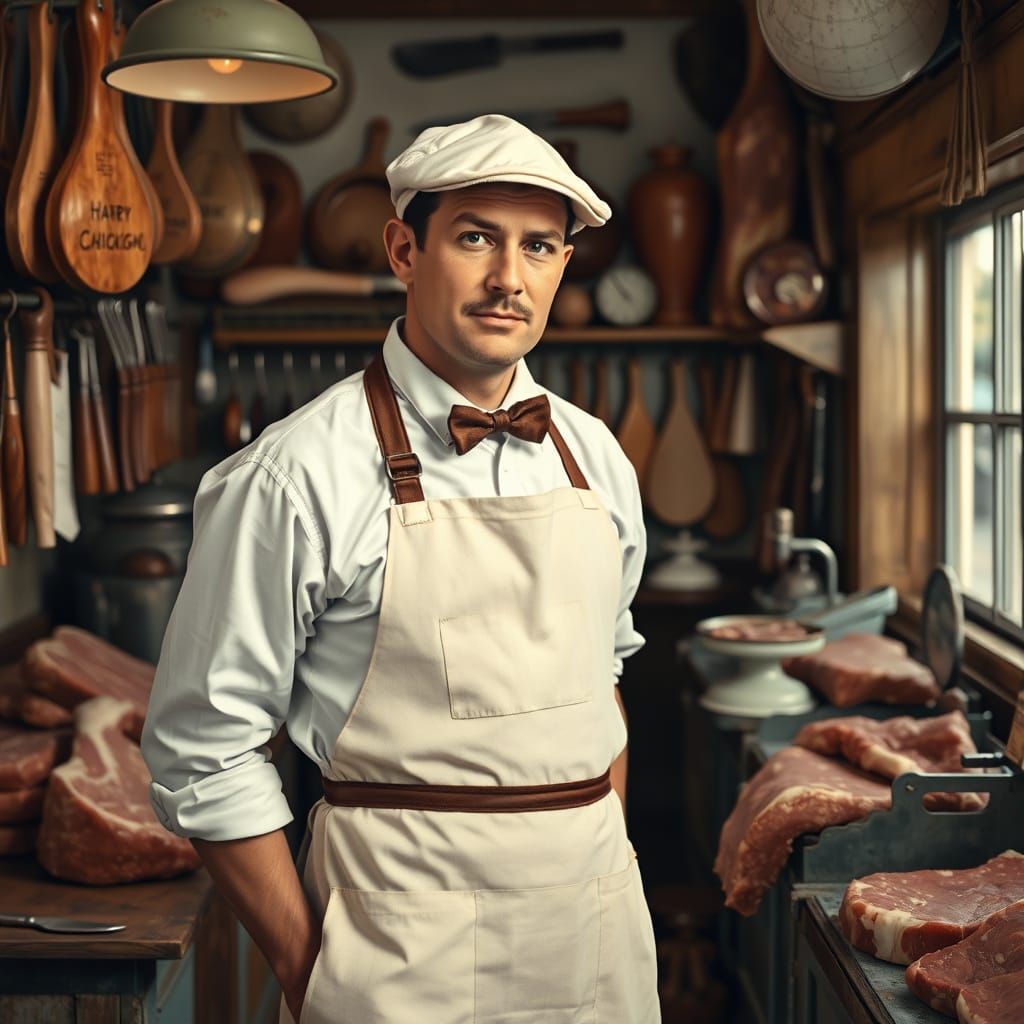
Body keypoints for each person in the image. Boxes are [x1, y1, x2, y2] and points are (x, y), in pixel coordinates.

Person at [141, 113, 659, 1023]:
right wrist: (310, 971)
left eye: (539, 246)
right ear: (404, 251)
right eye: (476, 238)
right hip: (392, 961)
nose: (509, 278)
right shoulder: (295, 474)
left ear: (563, 265)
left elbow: (600, 681)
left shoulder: (598, 458)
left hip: (596, 946)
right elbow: (203, 750)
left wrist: (597, 846)